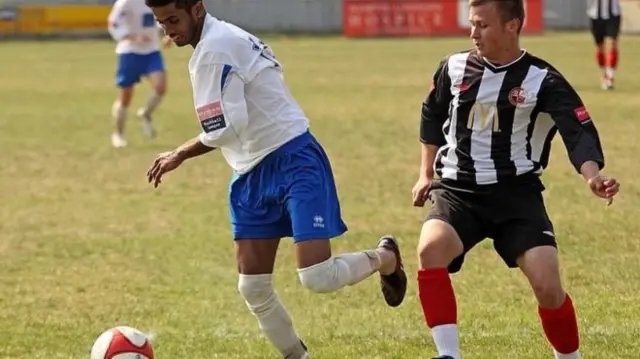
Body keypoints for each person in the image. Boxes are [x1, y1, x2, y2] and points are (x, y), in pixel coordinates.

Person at [143, 1, 408, 358]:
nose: (168, 30)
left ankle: (385, 257)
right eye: (161, 23)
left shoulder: (214, 49)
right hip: (249, 170)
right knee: (252, 287)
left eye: (173, 20)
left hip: (292, 160)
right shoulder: (223, 38)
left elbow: (225, 127)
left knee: (317, 276)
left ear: (197, 8)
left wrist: (179, 154)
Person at [411, 1, 620, 358]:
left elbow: (577, 130)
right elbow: (432, 114)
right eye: (472, 24)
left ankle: (570, 357)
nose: (474, 33)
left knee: (547, 286)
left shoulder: (543, 79)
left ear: (513, 26)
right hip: (459, 190)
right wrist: (425, 173)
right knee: (430, 250)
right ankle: (448, 354)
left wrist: (592, 175)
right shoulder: (454, 67)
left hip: (517, 195)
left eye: (483, 25)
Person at [107, 0, 172, 148]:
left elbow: (163, 17)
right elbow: (113, 23)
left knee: (160, 87)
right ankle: (118, 134)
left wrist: (169, 33)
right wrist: (132, 37)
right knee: (126, 96)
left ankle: (145, 114)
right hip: (130, 53)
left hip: (152, 52)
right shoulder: (125, 3)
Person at [586, 0, 622, 90]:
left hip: (613, 14)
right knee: (600, 47)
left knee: (613, 43)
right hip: (595, 15)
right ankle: (605, 73)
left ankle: (610, 76)